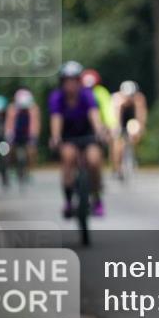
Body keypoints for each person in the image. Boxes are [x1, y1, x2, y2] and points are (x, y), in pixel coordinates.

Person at [48, 61, 109, 217]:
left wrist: (100, 131)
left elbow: (94, 115)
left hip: (88, 135)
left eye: (74, 81)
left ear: (79, 82)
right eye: (67, 81)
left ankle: (96, 198)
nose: (71, 85)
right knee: (68, 157)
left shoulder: (87, 95)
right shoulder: (57, 98)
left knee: (94, 160)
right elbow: (56, 119)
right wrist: (55, 137)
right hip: (68, 137)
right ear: (62, 82)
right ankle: (68, 201)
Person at [81, 68, 117, 173]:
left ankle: (107, 169)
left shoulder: (101, 92)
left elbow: (107, 109)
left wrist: (111, 125)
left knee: (105, 142)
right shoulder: (78, 93)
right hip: (81, 125)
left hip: (99, 124)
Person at [111, 80, 148, 176]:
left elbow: (141, 114)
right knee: (117, 143)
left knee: (135, 133)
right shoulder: (117, 99)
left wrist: (141, 127)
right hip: (120, 120)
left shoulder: (139, 98)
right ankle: (117, 167)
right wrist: (116, 128)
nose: (129, 98)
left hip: (131, 120)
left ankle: (134, 155)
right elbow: (116, 116)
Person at [4, 87, 40, 183]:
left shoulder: (33, 109)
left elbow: (35, 125)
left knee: (31, 151)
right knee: (8, 150)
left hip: (27, 134)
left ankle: (29, 170)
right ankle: (10, 168)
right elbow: (9, 124)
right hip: (15, 134)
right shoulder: (12, 109)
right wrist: (9, 135)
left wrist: (33, 137)